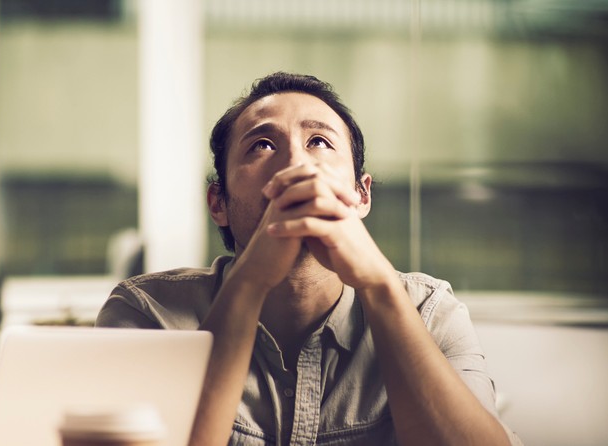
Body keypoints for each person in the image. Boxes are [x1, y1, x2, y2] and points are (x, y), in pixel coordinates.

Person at [96, 72, 522, 446]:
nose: (297, 165)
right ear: (218, 203)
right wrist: (250, 281)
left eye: (319, 141)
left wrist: (378, 286)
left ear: (361, 195)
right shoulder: (145, 314)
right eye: (262, 145)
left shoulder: (432, 313)